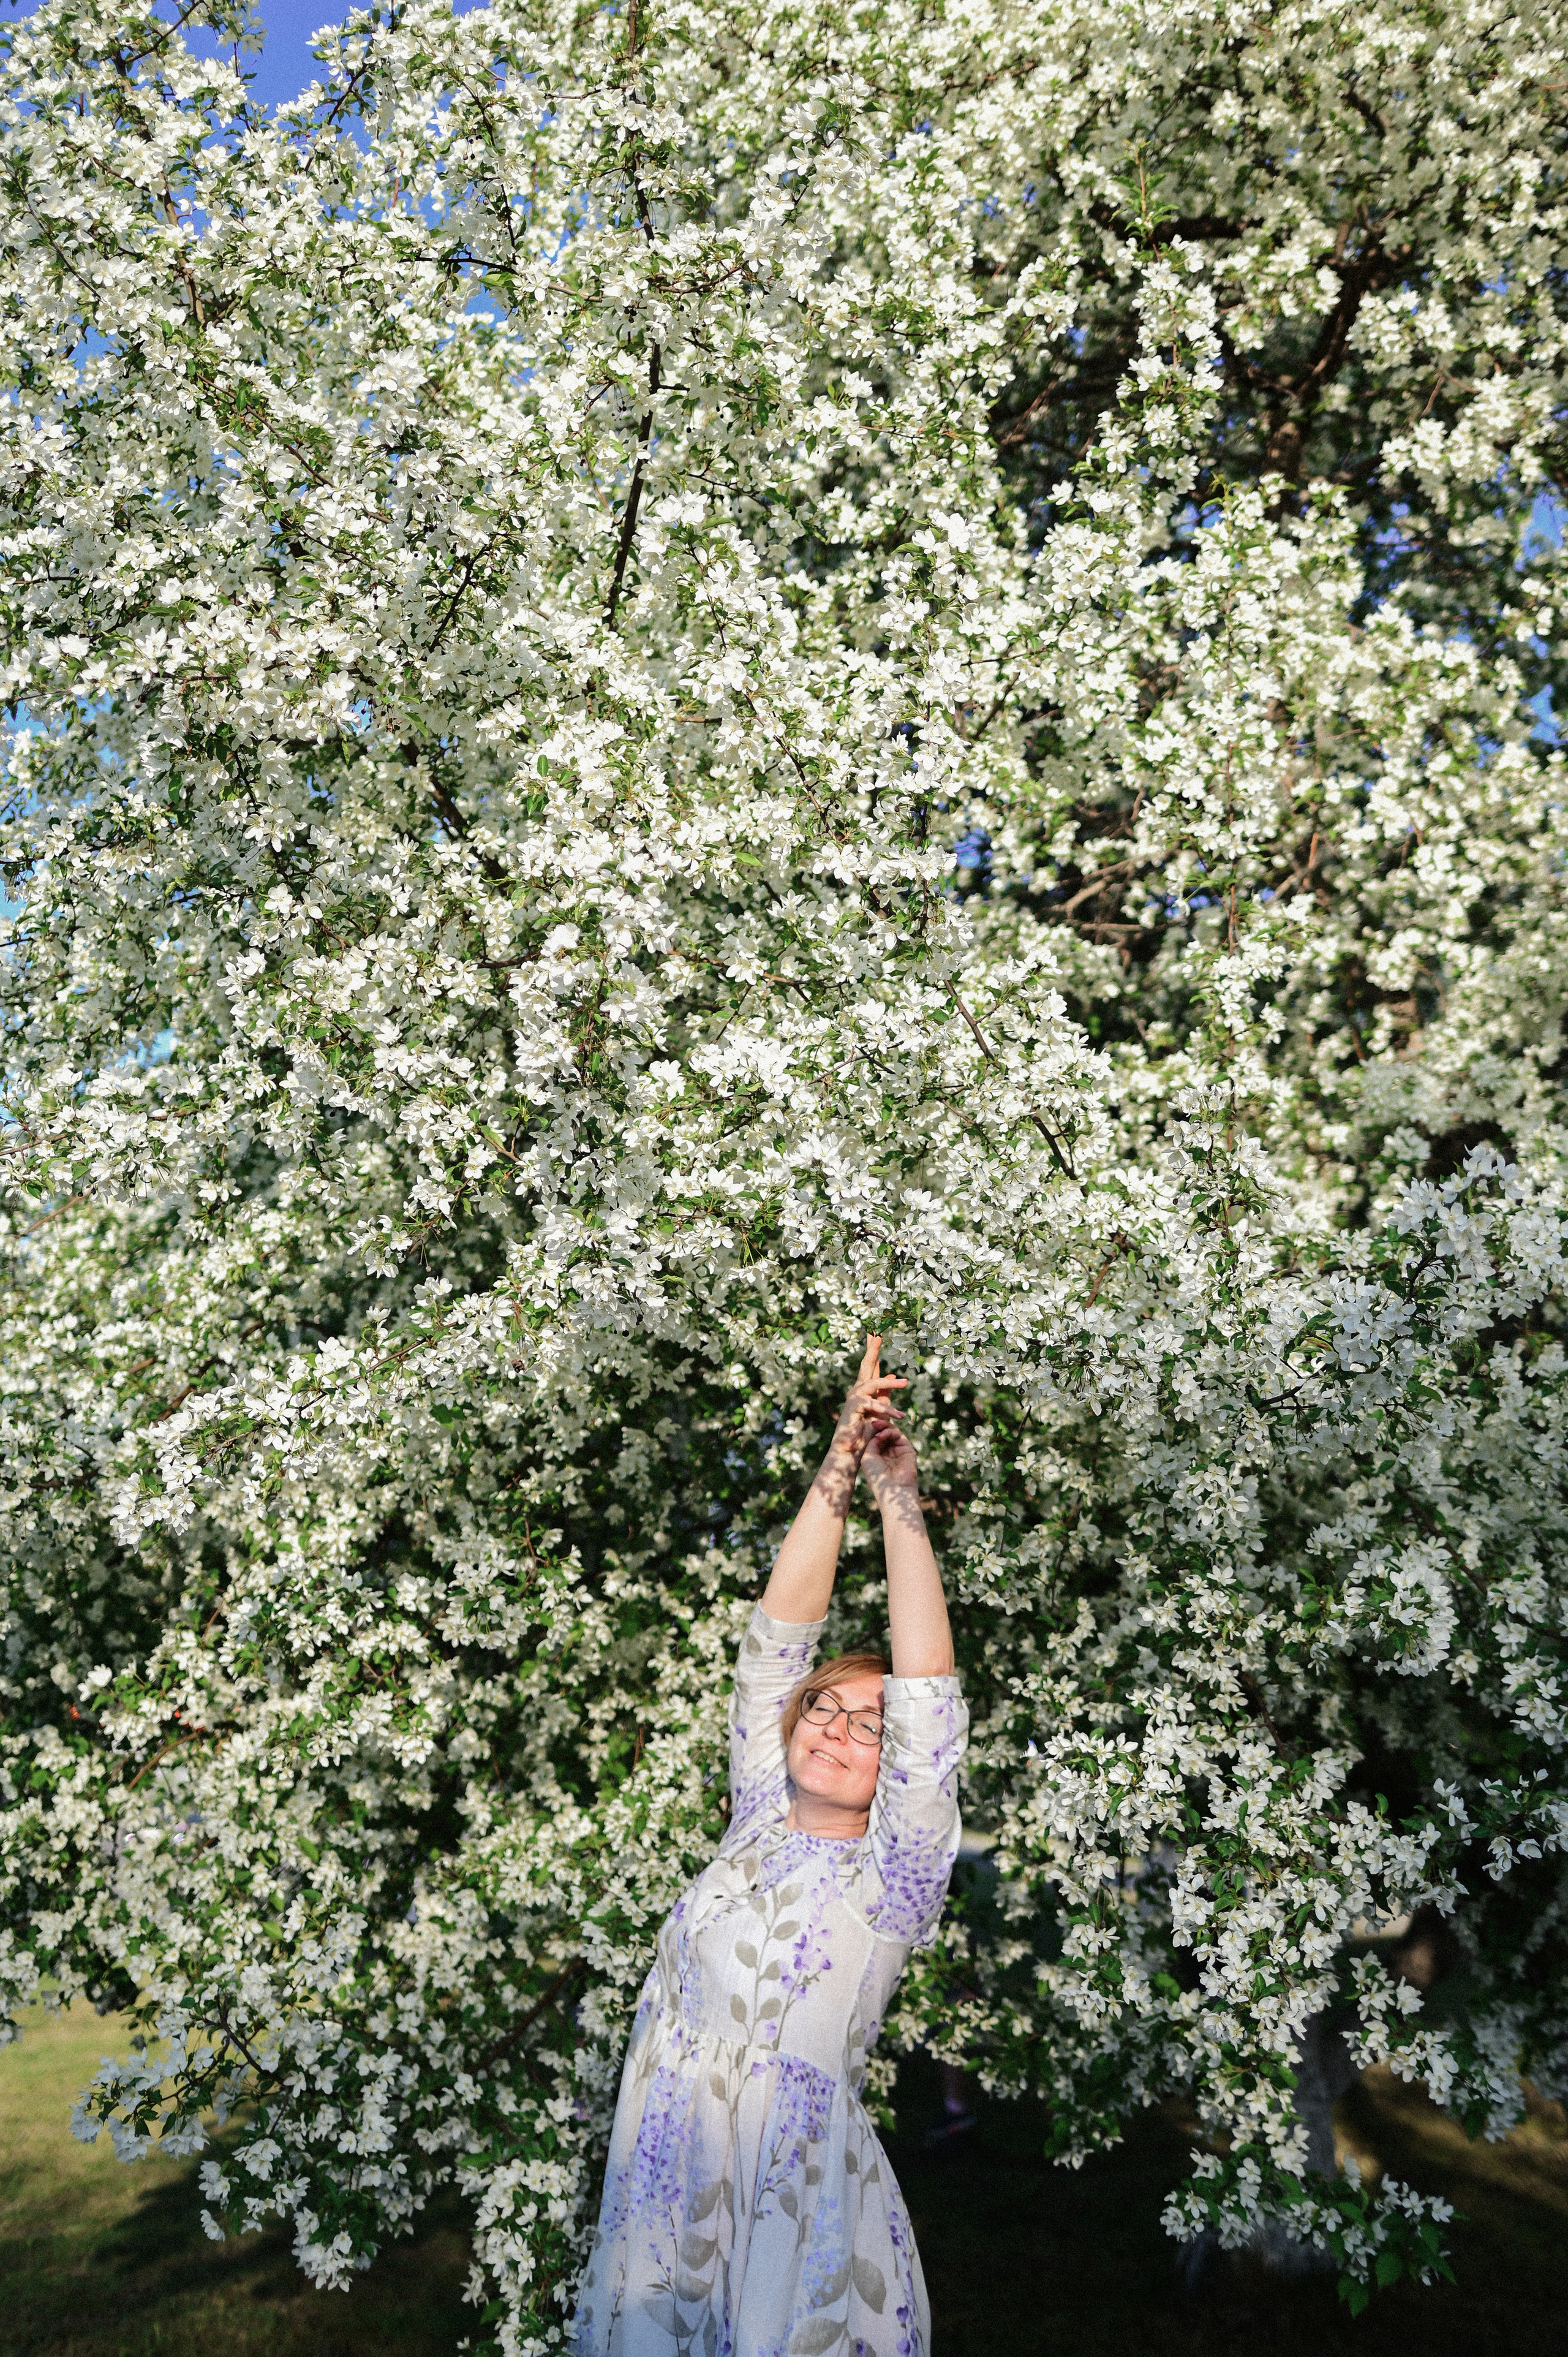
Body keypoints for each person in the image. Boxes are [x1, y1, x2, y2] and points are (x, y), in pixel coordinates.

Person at [571, 1337, 968, 2357]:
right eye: (824, 1709)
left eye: (868, 1726)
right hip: (667, 2188)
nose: (838, 1727)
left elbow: (929, 1697)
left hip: (788, 2217)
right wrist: (841, 1458)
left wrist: (899, 1503)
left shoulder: (894, 1882)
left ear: (897, 1769)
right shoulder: (755, 1816)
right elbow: (773, 1644)